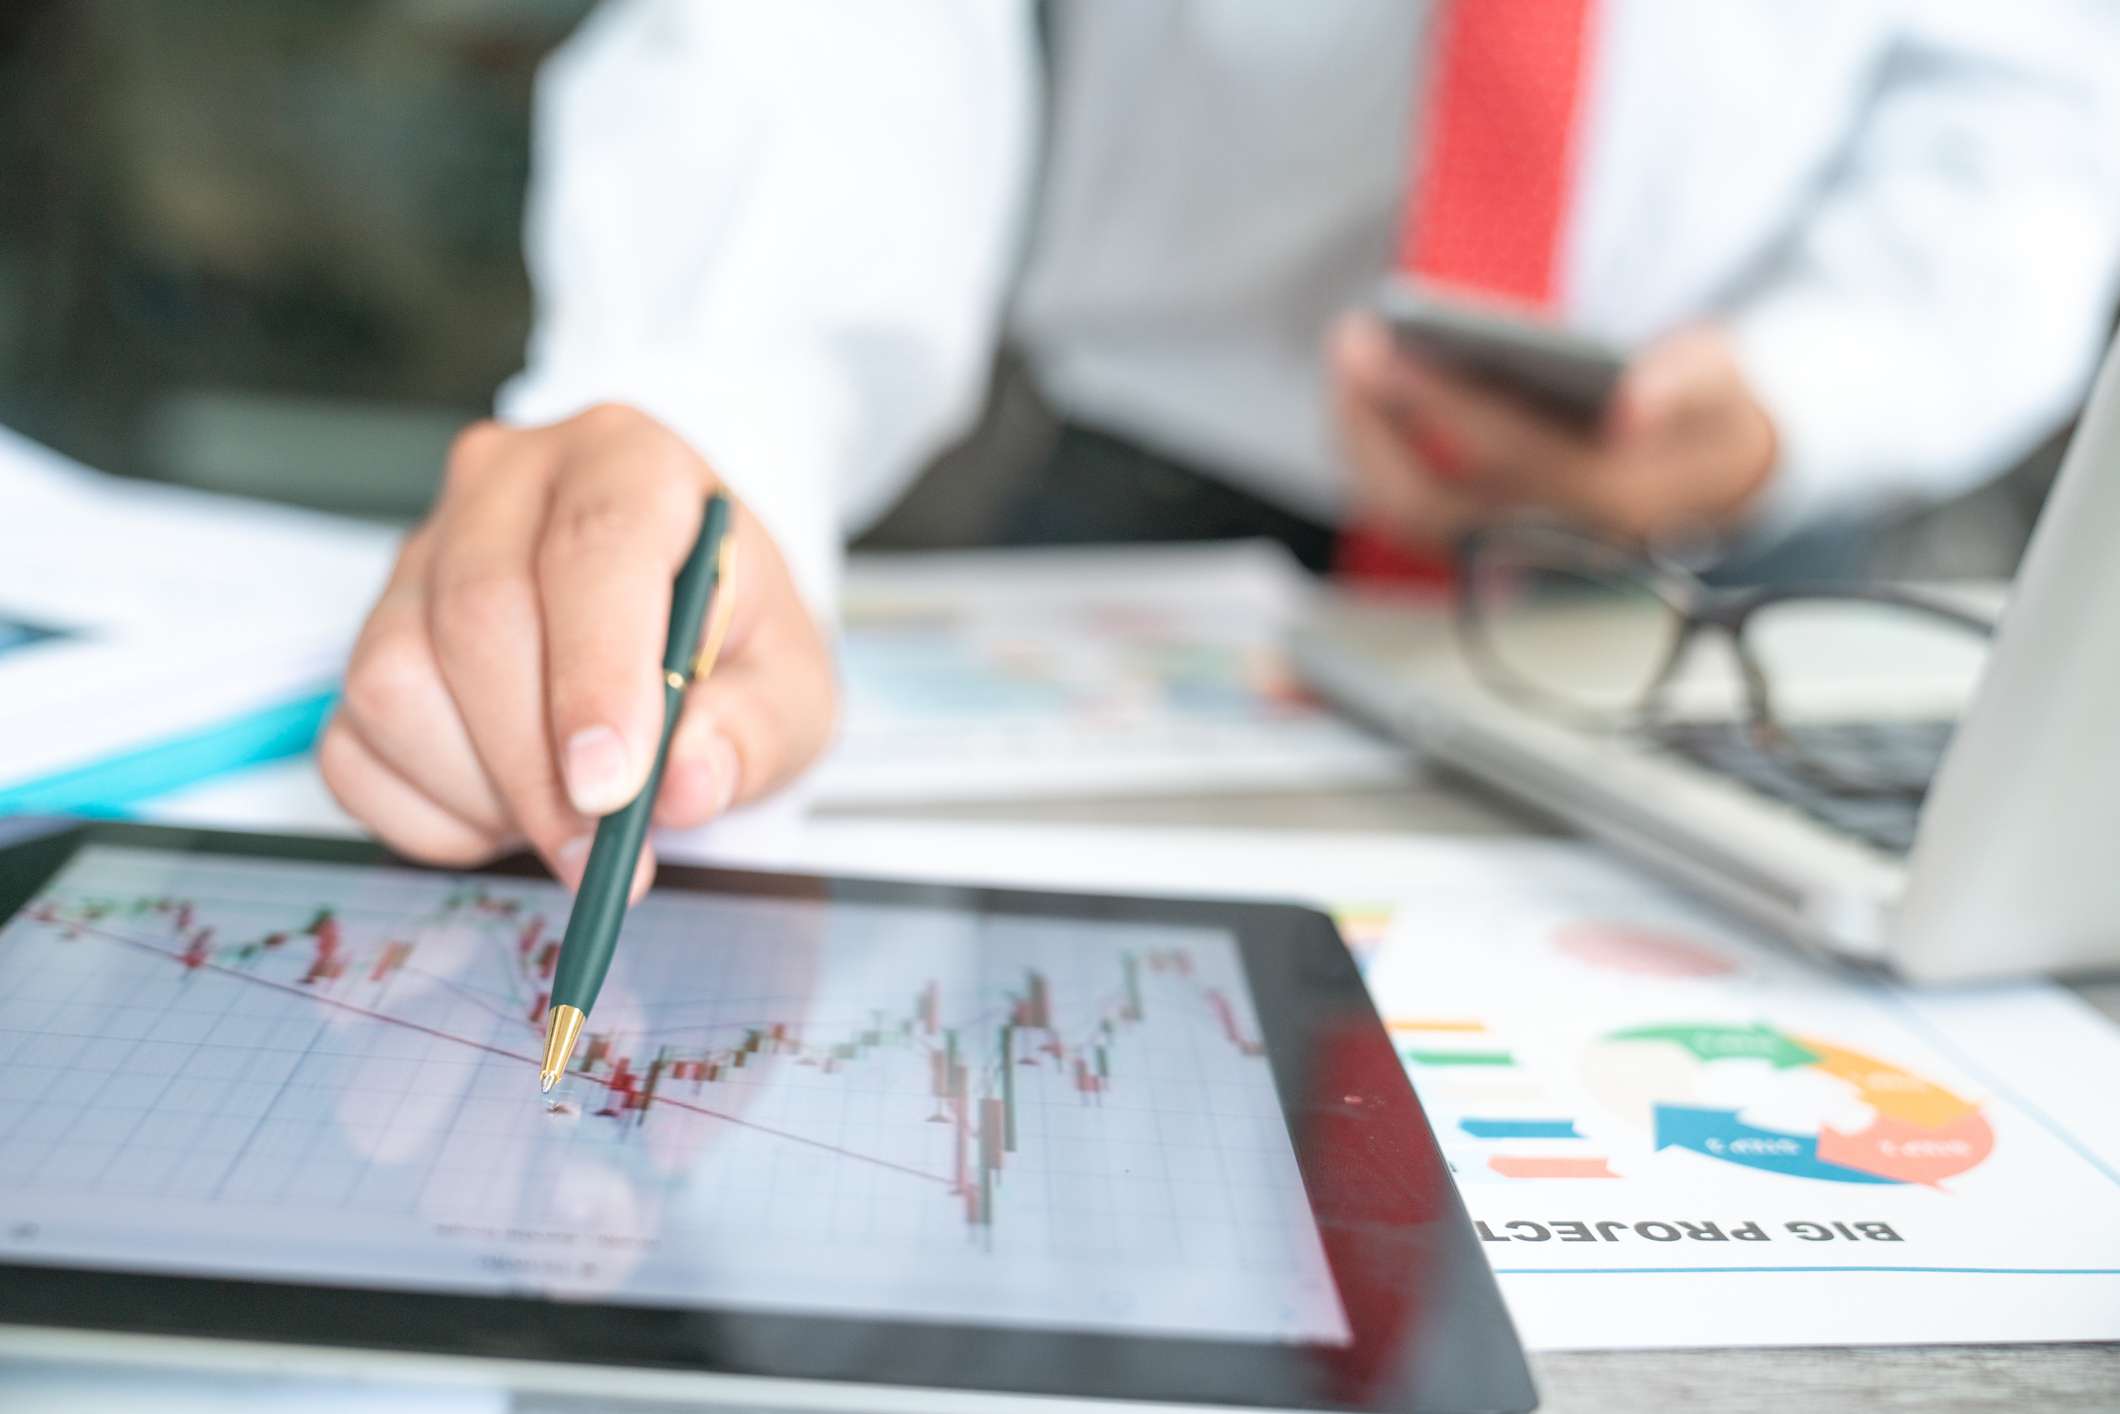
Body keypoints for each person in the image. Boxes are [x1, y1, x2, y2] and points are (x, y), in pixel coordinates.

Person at [319, 0, 2120, 886]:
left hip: (1739, 564)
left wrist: (1795, 396)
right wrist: (698, 407)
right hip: (1148, 502)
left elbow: (2032, 98)